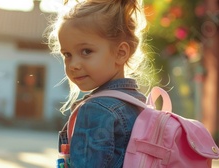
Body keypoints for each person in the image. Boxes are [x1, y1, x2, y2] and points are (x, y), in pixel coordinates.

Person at [47, 0, 154, 167]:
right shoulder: (139, 103)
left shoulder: (96, 109)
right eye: (67, 54)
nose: (73, 64)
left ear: (120, 53)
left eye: (86, 51)